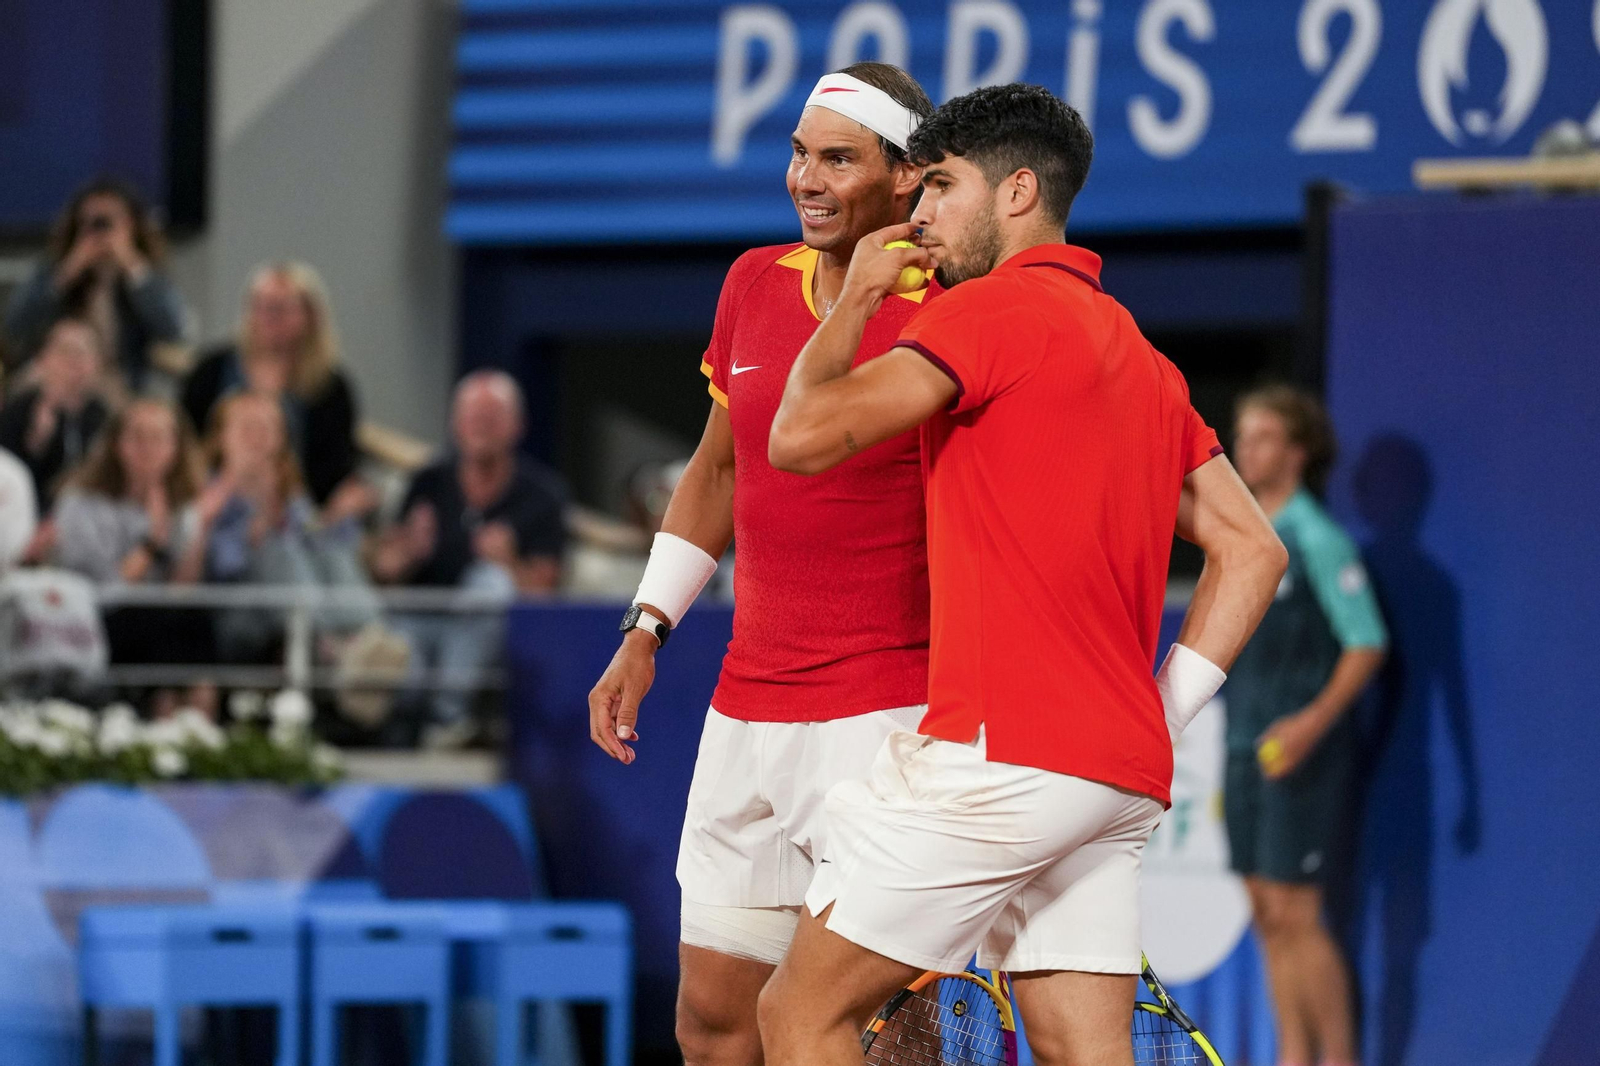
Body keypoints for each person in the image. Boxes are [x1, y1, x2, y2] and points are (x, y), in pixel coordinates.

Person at [757, 84, 1287, 1066]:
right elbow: (1254, 550)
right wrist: (1155, 709)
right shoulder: (1142, 356)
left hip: (999, 756)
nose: (916, 216)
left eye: (943, 187)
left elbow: (796, 436)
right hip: (1110, 775)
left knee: (797, 1017)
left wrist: (862, 294)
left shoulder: (988, 315)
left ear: (1018, 193)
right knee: (1080, 1050)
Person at [585, 62, 937, 1065]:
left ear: (905, 177)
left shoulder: (953, 308)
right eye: (797, 153)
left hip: (888, 709)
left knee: (881, 1032)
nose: (807, 179)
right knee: (711, 1022)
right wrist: (645, 631)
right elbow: (713, 471)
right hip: (749, 708)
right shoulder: (751, 281)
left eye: (838, 157)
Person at [1225, 385, 1388, 1066]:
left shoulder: (1318, 539)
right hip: (1244, 750)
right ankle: (1293, 1055)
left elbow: (1366, 641)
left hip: (1303, 755)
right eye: (1242, 434)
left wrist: (1310, 725)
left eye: (1262, 437)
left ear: (1296, 453)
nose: (1245, 449)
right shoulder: (1243, 537)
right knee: (1265, 911)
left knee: (1297, 913)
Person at [373, 370, 565, 749]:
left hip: (493, 644)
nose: (482, 427)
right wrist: (409, 550)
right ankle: (402, 726)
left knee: (490, 584)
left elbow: (547, 599)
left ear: (517, 426)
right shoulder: (426, 482)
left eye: (493, 417)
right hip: (420, 625)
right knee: (398, 651)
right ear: (455, 424)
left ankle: (447, 718)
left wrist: (509, 563)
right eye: (474, 417)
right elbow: (383, 572)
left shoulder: (543, 495)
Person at [53, 397, 217, 713]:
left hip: (160, 620)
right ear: (117, 443)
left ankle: (201, 727)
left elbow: (182, 588)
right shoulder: (80, 503)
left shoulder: (183, 507)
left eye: (159, 438)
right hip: (98, 620)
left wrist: (196, 528)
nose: (148, 448)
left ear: (176, 448)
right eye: (138, 436)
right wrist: (153, 541)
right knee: (154, 624)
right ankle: (162, 717)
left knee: (196, 624)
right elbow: (108, 588)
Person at [181, 263, 373, 520]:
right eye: (259, 306)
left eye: (281, 309)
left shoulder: (330, 387)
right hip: (215, 502)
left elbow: (336, 467)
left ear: (309, 316)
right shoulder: (212, 369)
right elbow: (185, 437)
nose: (269, 317)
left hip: (294, 512)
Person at [201, 391, 379, 664]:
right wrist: (257, 526)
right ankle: (338, 646)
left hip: (298, 604)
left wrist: (335, 515)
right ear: (220, 437)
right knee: (276, 548)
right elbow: (222, 568)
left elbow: (314, 538)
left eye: (269, 428)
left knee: (333, 550)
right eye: (249, 427)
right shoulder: (207, 495)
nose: (259, 438)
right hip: (238, 610)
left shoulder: (290, 493)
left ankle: (370, 636)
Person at [3, 179, 186, 388]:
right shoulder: (53, 271)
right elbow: (15, 325)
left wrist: (132, 266)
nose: (100, 232)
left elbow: (174, 329)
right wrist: (67, 272)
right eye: (91, 223)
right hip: (60, 380)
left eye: (109, 222)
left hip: (123, 384)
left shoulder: (146, 275)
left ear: (132, 225)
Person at [0, 317, 112, 511]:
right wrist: (36, 442)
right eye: (65, 351)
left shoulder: (103, 415)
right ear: (43, 359)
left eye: (83, 352)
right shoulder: (19, 408)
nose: (74, 362)